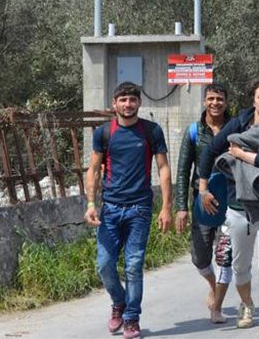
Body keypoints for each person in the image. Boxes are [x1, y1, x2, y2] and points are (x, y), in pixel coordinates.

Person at [198, 78, 259, 339]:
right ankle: (247, 304)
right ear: (253, 100)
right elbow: (210, 151)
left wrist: (242, 155)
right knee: (240, 267)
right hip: (237, 206)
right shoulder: (239, 123)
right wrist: (203, 188)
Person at [84, 82, 173, 339]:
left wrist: (166, 207)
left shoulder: (151, 131)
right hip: (110, 209)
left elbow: (163, 168)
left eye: (132, 99)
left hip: (140, 209)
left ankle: (132, 318)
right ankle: (119, 302)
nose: (128, 104)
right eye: (122, 100)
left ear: (139, 103)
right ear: (114, 104)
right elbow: (93, 170)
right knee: (104, 265)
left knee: (133, 265)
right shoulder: (104, 133)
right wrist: (91, 204)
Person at [174, 83, 233, 324]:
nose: (215, 103)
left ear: (226, 102)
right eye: (211, 99)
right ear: (204, 101)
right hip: (202, 201)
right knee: (200, 258)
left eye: (219, 99)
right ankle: (213, 285)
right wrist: (181, 207)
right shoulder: (194, 131)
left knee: (225, 256)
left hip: (231, 200)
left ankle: (216, 307)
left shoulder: (235, 128)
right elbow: (182, 170)